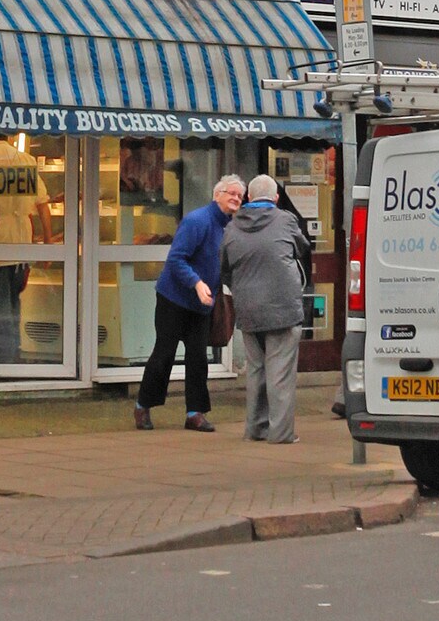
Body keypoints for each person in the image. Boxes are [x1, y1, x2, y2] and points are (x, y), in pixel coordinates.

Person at [133, 174, 244, 431]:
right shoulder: (197, 221)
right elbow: (176, 259)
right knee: (164, 355)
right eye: (231, 193)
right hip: (174, 298)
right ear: (217, 195)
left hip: (202, 303)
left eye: (240, 196)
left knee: (198, 358)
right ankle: (143, 405)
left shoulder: (231, 227)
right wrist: (196, 283)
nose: (236, 199)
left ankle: (195, 413)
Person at [220, 172, 310, 444]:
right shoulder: (286, 220)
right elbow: (303, 248)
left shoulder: (232, 227)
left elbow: (224, 268)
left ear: (248, 197)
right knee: (280, 373)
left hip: (248, 308)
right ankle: (281, 433)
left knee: (256, 370)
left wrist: (242, 289)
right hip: (283, 307)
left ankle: (255, 429)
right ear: (276, 198)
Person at [0, 135, 52, 363]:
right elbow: (42, 204)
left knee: (0, 305)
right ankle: (14, 352)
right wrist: (48, 242)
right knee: (14, 301)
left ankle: (3, 359)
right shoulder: (26, 160)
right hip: (23, 239)